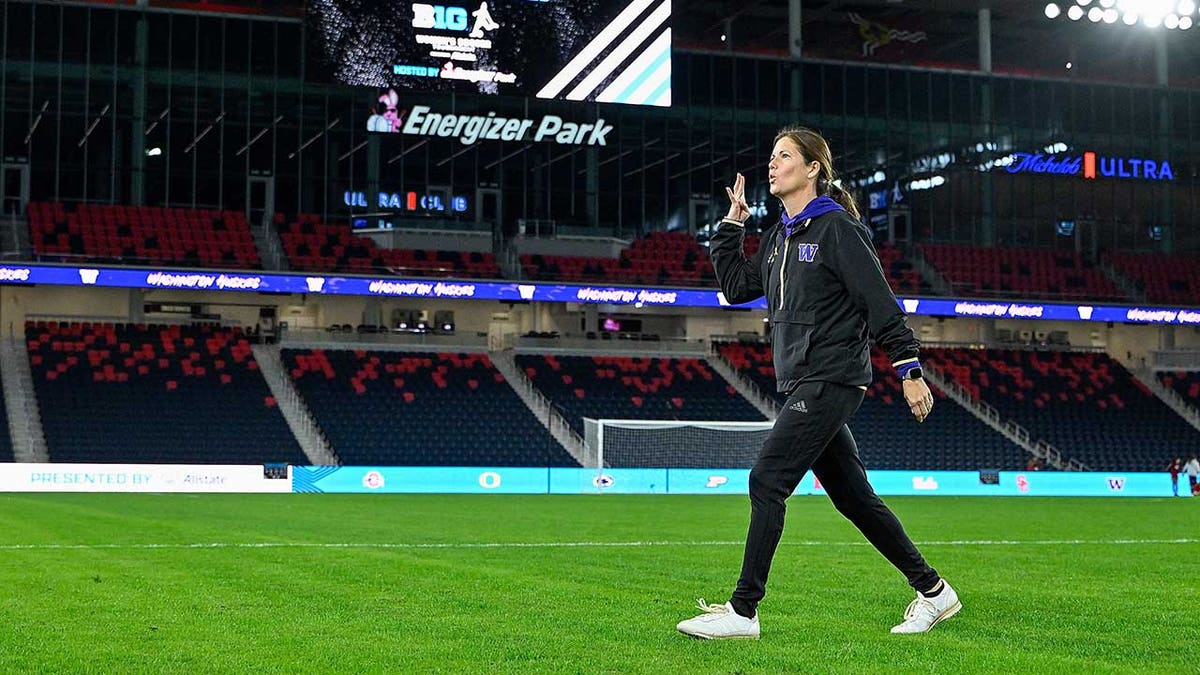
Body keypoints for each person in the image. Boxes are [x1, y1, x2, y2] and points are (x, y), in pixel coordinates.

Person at [676, 126, 959, 640]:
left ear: (812, 169)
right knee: (855, 500)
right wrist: (730, 228)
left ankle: (743, 612)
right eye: (770, 156)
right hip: (805, 379)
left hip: (832, 376)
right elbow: (738, 287)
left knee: (766, 480)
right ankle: (936, 593)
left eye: (783, 155)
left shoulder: (836, 229)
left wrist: (909, 369)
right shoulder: (781, 236)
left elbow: (879, 300)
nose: (772, 163)